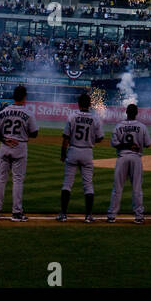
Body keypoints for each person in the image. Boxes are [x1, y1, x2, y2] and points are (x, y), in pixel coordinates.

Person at [0, 84, 38, 221]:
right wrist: (24, 132)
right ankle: (16, 213)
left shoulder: (4, 111)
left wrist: (4, 139)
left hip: (4, 146)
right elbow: (35, 133)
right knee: (18, 180)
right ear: (24, 97)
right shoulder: (28, 113)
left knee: (1, 179)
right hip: (20, 147)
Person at [57, 92, 104, 223]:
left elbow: (66, 137)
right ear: (90, 104)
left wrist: (62, 154)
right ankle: (88, 216)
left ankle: (63, 215)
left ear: (78, 104)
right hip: (87, 152)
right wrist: (91, 139)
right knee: (88, 185)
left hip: (73, 150)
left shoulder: (72, 116)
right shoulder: (95, 118)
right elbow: (100, 138)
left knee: (67, 184)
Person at [107, 103, 151, 223]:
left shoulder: (118, 126)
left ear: (126, 112)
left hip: (122, 157)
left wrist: (126, 145)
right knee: (137, 188)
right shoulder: (142, 126)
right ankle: (139, 216)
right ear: (137, 113)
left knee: (117, 188)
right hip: (136, 158)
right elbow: (148, 144)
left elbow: (114, 143)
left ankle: (112, 215)